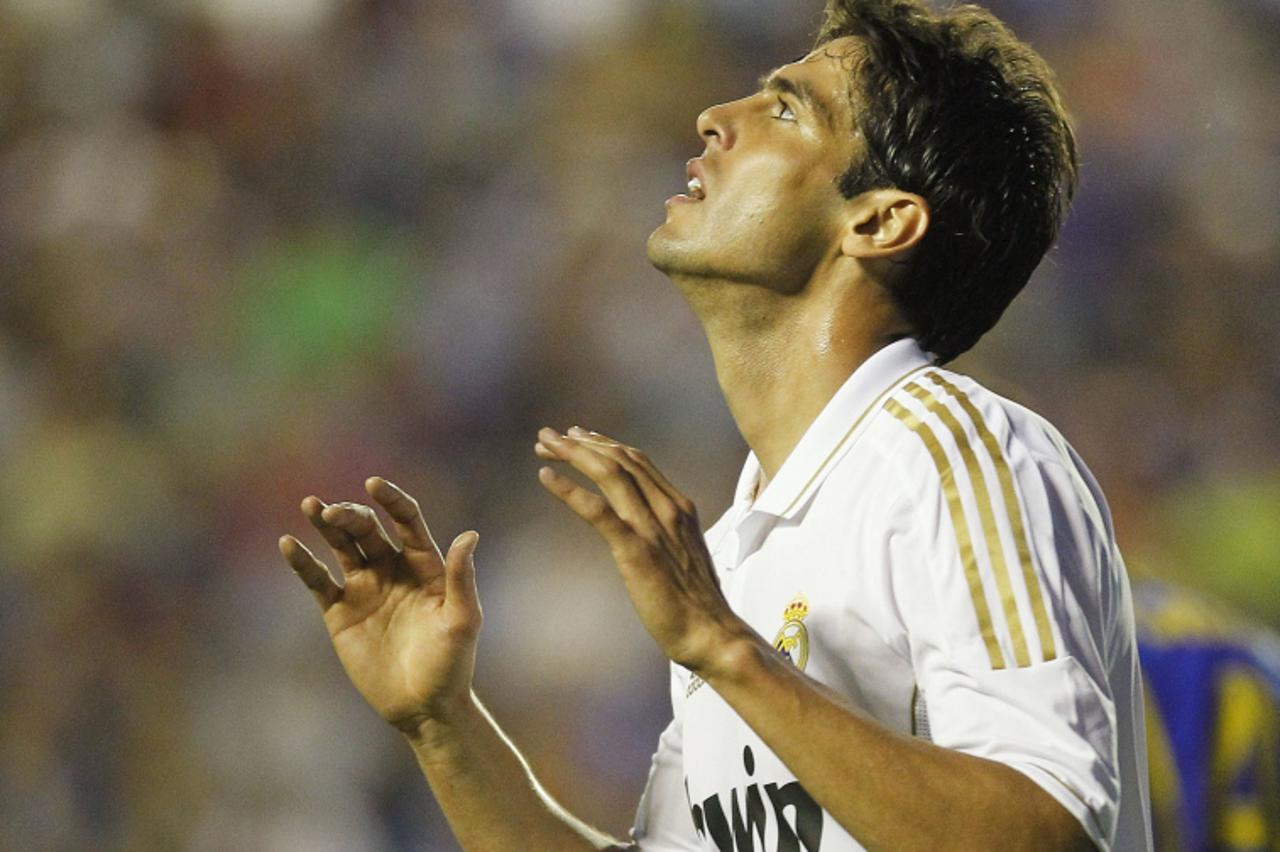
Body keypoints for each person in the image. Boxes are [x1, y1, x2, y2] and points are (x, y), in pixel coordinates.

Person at [279, 1, 1152, 849]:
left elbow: (1046, 829)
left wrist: (724, 648)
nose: (713, 117)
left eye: (785, 107)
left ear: (879, 220)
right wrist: (442, 725)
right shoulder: (743, 543)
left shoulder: (955, 455)